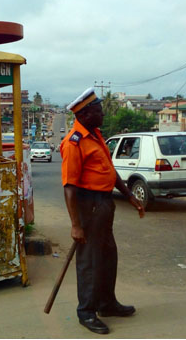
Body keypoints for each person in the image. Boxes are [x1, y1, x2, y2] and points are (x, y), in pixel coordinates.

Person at [60, 88, 145, 335]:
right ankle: (86, 312)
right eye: (98, 110)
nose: (103, 114)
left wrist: (129, 195)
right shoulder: (74, 142)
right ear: (85, 114)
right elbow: (69, 187)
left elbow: (108, 170)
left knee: (108, 255)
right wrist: (76, 225)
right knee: (89, 261)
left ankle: (107, 303)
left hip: (105, 204)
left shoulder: (95, 135)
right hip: (88, 205)